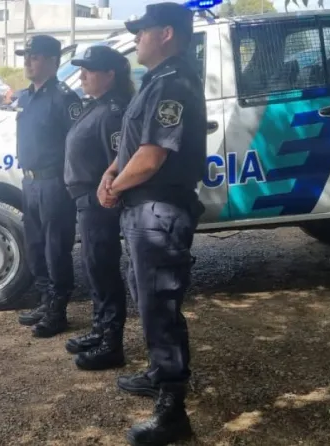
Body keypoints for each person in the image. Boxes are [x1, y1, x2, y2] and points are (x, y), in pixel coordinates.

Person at [98, 3, 205, 444]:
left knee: (160, 304)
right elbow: (133, 146)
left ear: (165, 33)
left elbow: (153, 156)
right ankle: (159, 373)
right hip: (145, 206)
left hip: (159, 208)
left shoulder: (174, 82)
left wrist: (115, 186)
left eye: (141, 31)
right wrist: (111, 173)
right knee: (147, 296)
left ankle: (172, 410)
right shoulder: (157, 81)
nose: (136, 38)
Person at [63, 46, 134, 371]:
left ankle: (111, 343)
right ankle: (99, 329)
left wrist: (106, 196)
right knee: (93, 268)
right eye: (82, 69)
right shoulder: (98, 106)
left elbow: (119, 162)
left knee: (103, 270)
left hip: (100, 203)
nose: (83, 75)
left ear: (110, 75)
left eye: (90, 69)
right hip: (86, 202)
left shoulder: (114, 111)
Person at [13, 35, 83, 338]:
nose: (28, 61)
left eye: (36, 56)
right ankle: (45, 299)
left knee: (56, 248)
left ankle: (58, 310)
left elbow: (77, 146)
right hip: (30, 181)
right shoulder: (26, 97)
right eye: (26, 56)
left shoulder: (65, 98)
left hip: (54, 182)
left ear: (54, 62)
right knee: (36, 246)